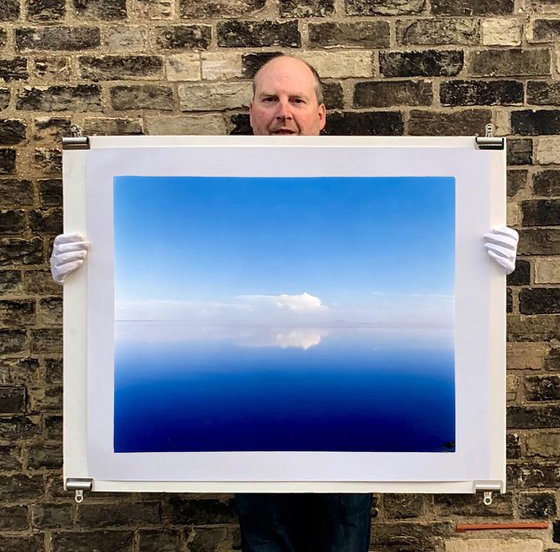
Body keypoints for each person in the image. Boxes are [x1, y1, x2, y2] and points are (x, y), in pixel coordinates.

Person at [51, 55, 519, 552]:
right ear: (250, 111)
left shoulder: (361, 180)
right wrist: (83, 279)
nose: (283, 112)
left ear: (321, 114)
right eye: (270, 99)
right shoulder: (213, 184)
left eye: (297, 100)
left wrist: (482, 269)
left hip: (349, 456)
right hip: (251, 447)